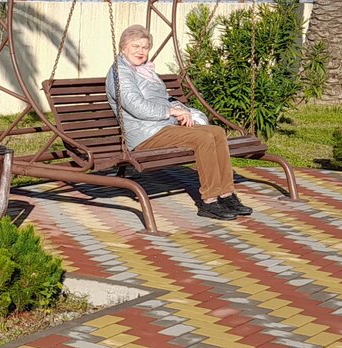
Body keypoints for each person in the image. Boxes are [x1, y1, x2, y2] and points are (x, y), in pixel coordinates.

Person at [105, 24, 252, 221]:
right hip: (144, 134)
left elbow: (164, 98)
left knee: (217, 132)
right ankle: (209, 201)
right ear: (124, 48)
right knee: (203, 138)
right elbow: (136, 106)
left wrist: (181, 110)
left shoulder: (144, 70)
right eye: (136, 46)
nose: (141, 51)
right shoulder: (120, 73)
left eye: (145, 47)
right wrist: (170, 112)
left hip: (162, 127)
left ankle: (226, 194)